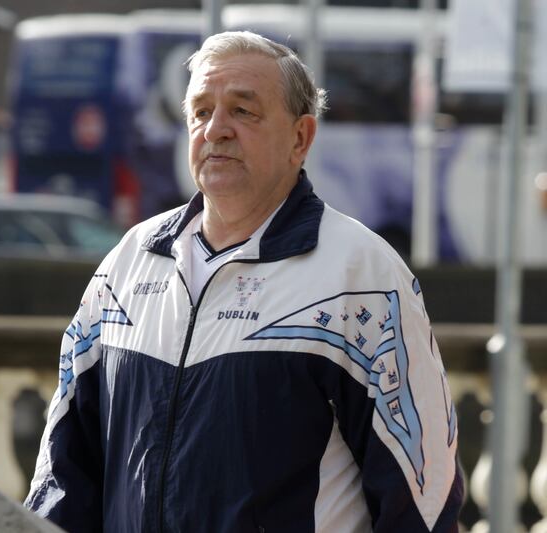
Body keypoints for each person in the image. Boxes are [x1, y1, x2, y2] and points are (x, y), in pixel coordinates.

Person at [25, 31, 463, 532]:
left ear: (301, 138)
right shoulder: (128, 263)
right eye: (200, 111)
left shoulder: (360, 274)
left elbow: (423, 497)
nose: (215, 130)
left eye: (242, 111)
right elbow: (61, 476)